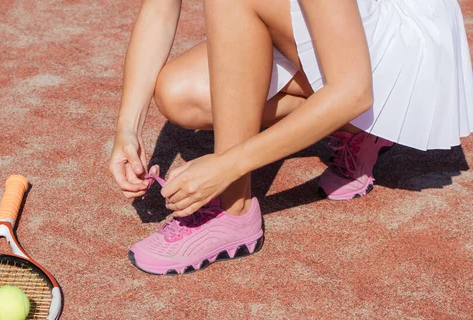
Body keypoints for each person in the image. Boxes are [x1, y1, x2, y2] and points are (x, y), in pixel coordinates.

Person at [109, 0, 473, 275]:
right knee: (180, 94)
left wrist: (227, 165)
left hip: (407, 60)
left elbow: (354, 90)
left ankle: (232, 208)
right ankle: (352, 126)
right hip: (344, 33)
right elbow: (159, 9)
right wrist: (127, 127)